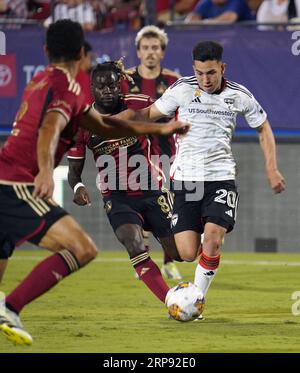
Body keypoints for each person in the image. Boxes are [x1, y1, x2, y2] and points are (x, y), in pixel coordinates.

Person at [0, 19, 188, 346]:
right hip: (15, 183)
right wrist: (46, 170)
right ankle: (11, 307)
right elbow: (49, 128)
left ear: (46, 51)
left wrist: (160, 130)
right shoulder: (67, 88)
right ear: (82, 54)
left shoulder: (45, 80)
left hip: (7, 178)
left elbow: (108, 127)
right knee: (82, 248)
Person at [120, 40, 286, 319]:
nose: (205, 79)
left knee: (212, 240)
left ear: (223, 67)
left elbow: (263, 127)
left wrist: (272, 168)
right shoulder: (182, 90)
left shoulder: (239, 95)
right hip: (186, 181)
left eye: (211, 72)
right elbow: (149, 114)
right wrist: (116, 120)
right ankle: (197, 282)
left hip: (220, 178)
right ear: (193, 69)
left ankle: (194, 302)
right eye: (200, 72)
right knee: (185, 253)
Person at [68, 61, 182, 305]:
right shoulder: (82, 124)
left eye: (112, 84)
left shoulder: (141, 103)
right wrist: (78, 188)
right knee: (135, 244)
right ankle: (172, 302)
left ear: (120, 85)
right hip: (117, 197)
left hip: (152, 190)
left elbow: (174, 109)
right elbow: (74, 172)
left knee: (180, 254)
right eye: (101, 86)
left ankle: (197, 229)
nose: (107, 90)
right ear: (92, 89)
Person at [121, 25, 182, 281]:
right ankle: (143, 258)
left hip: (166, 154)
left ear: (162, 52)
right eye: (145, 48)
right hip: (133, 155)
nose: (150, 52)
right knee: (139, 204)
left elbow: (182, 116)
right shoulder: (125, 80)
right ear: (138, 51)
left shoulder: (173, 81)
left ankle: (169, 261)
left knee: (169, 207)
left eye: (155, 47)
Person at [185, 0, 253, 23]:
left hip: (243, 42)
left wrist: (205, 23)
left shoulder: (237, 1)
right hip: (215, 40)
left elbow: (229, 18)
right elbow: (190, 20)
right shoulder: (206, 2)